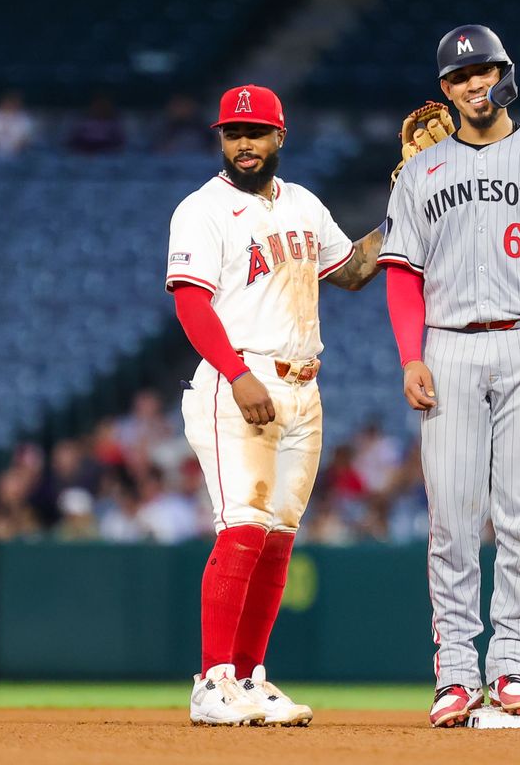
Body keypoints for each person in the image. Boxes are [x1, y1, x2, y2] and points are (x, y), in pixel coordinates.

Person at [380, 24, 520, 727]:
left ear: (506, 73)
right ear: (443, 91)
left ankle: (509, 663)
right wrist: (410, 355)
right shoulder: (422, 173)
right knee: (451, 518)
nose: (474, 84)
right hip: (448, 346)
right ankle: (454, 672)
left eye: (484, 70)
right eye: (458, 77)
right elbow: (400, 275)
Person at [166, 84, 383, 727]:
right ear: (221, 139)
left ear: (279, 136)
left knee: (279, 537)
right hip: (241, 380)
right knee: (243, 525)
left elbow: (351, 271)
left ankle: (251, 677)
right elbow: (190, 302)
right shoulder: (202, 210)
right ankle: (213, 680)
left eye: (256, 132)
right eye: (234, 133)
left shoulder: (305, 206)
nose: (244, 143)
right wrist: (236, 373)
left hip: (303, 385)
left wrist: (408, 202)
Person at [0, 91, 35, 157]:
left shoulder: (25, 119)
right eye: (8, 102)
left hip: (18, 156)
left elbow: (28, 141)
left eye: (13, 103)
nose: (10, 105)